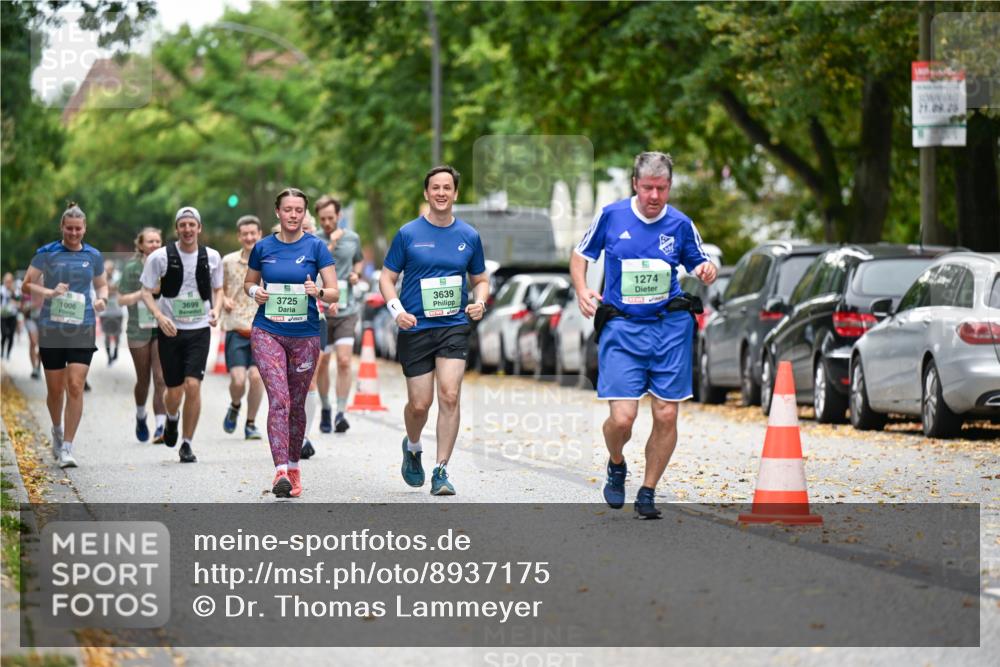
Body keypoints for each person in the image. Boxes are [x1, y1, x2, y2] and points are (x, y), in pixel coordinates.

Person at [570, 151, 717, 519]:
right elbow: (580, 255)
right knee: (623, 419)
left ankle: (648, 491)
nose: (655, 196)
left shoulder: (681, 224)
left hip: (668, 329)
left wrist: (704, 269)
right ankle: (616, 462)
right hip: (622, 327)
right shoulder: (611, 215)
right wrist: (582, 289)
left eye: (662, 189)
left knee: (666, 414)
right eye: (648, 188)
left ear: (669, 187)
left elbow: (698, 259)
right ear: (635, 184)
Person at [380, 165, 488, 496]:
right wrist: (397, 311)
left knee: (450, 395)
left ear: (455, 193)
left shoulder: (469, 236)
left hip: (453, 326)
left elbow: (480, 280)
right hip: (415, 327)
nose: (441, 193)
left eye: (447, 188)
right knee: (419, 405)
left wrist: (480, 302)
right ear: (426, 194)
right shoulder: (408, 234)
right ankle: (413, 446)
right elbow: (386, 277)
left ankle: (441, 469)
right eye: (435, 188)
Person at [245, 188, 338, 499]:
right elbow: (249, 282)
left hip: (305, 334)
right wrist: (252, 293)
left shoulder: (316, 247)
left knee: (297, 404)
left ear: (304, 213)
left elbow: (334, 291)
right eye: (288, 209)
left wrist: (318, 292)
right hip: (267, 330)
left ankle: (295, 465)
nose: (293, 215)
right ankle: (280, 471)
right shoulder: (263, 247)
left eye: (299, 210)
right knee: (280, 400)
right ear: (278, 212)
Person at [20, 202, 108, 468]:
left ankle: (68, 446)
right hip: (52, 327)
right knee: (55, 390)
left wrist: (102, 300)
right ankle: (57, 430)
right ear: (62, 227)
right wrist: (50, 293)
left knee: (75, 385)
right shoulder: (46, 253)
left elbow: (102, 286)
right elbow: (26, 285)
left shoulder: (93, 255)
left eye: (78, 229)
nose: (73, 233)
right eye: (69, 228)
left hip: (82, 326)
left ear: (85, 229)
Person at [140, 207, 224, 463]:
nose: (188, 229)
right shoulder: (159, 257)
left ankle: (187, 443)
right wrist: (159, 316)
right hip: (171, 330)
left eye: (192, 225)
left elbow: (219, 289)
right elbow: (145, 292)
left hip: (199, 330)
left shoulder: (212, 257)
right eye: (183, 225)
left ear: (199, 228)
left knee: (193, 385)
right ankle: (171, 418)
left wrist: (216, 310)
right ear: (177, 229)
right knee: (173, 391)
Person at [316, 195, 364, 435]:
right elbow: (315, 264)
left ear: (339, 216)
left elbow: (359, 261)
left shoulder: (353, 238)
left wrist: (356, 274)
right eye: (322, 219)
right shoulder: (313, 239)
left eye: (331, 218)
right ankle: (325, 407)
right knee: (322, 362)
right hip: (321, 311)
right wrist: (331, 244)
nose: (326, 223)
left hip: (346, 309)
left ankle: (341, 413)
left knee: (344, 361)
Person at [118, 227, 168, 443]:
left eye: (158, 241)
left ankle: (160, 426)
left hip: (161, 327)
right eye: (150, 241)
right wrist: (143, 293)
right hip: (138, 328)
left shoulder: (167, 264)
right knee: (144, 380)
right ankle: (140, 415)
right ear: (140, 245)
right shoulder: (131, 268)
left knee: (160, 378)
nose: (155, 245)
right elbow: (121, 300)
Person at [220, 215, 265, 440]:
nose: (249, 237)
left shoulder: (269, 262)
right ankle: (235, 404)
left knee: (256, 378)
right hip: (236, 328)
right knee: (238, 380)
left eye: (253, 233)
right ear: (239, 236)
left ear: (260, 235)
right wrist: (224, 300)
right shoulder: (227, 261)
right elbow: (218, 288)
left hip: (262, 329)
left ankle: (250, 423)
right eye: (245, 234)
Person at [99, 259, 124, 365]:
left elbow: (120, 290)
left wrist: (109, 290)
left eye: (109, 269)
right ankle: (109, 356)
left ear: (113, 269)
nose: (108, 271)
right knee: (107, 335)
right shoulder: (100, 277)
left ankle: (116, 352)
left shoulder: (119, 276)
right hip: (105, 312)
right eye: (106, 269)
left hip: (118, 311)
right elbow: (101, 291)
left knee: (117, 334)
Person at [1, 273, 20, 360]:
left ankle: (8, 354)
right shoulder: (1, 290)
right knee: (5, 334)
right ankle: (2, 351)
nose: (8, 283)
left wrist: (13, 294)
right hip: (3, 315)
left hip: (12, 315)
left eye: (10, 281)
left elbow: (19, 304)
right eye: (6, 281)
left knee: (11, 335)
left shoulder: (15, 291)